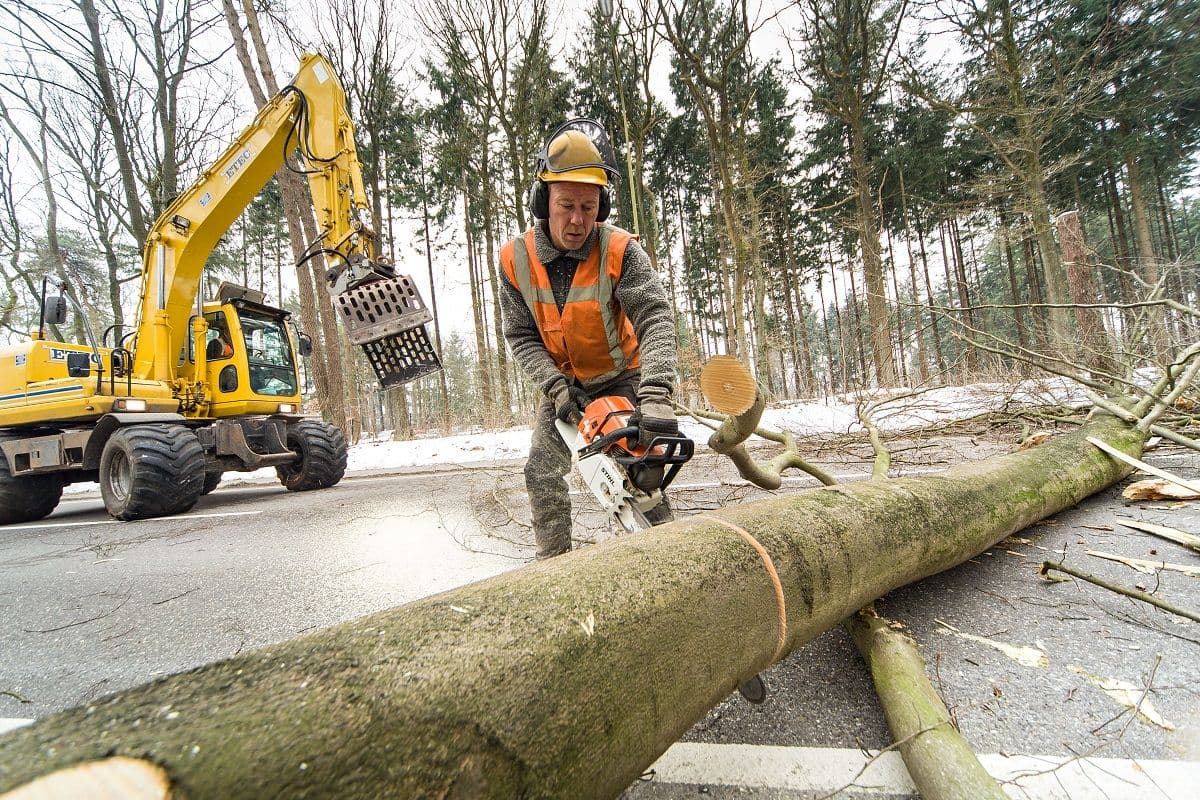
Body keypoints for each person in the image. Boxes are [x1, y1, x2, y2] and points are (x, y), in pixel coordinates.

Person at [500, 119, 679, 560]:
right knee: (542, 472)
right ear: (543, 201)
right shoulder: (514, 259)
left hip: (621, 376)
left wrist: (656, 391)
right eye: (566, 205)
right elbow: (520, 335)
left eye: (588, 206)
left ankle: (670, 556)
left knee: (643, 468)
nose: (578, 219)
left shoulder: (619, 250)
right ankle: (555, 565)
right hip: (563, 385)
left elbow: (655, 316)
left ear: (602, 207)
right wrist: (553, 386)